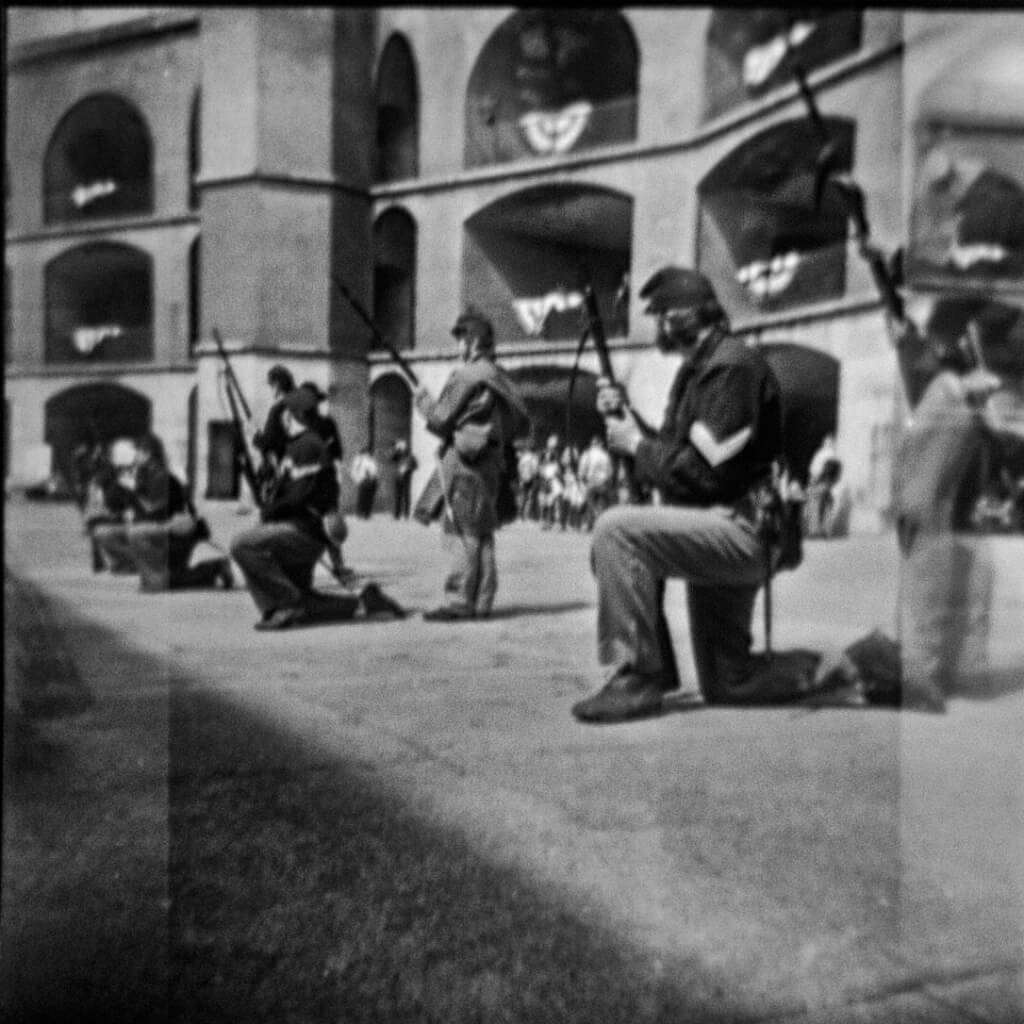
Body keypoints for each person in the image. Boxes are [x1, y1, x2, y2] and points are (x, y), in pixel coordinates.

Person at [572, 266, 825, 723]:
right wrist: (629, 421)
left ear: (685, 317)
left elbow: (705, 474)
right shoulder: (700, 370)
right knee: (731, 683)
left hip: (740, 529)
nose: (658, 326)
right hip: (720, 525)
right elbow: (674, 457)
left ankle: (639, 675)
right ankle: (844, 668)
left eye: (662, 315)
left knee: (616, 531)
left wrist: (635, 444)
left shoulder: (730, 368)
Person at [413, 307, 530, 621]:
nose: (458, 346)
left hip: (466, 463)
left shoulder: (467, 376)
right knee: (482, 531)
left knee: (461, 530)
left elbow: (440, 418)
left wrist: (423, 401)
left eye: (461, 339)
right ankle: (481, 601)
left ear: (474, 340)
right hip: (491, 462)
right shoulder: (497, 375)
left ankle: (459, 601)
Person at [230, 387, 338, 629]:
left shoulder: (308, 446)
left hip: (303, 531)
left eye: (282, 414)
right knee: (309, 603)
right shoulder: (299, 444)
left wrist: (269, 510)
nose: (279, 420)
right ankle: (358, 604)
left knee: (243, 544)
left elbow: (299, 496)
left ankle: (285, 605)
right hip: (300, 528)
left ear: (293, 416)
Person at [122, 432, 233, 592]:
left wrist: (132, 492)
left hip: (175, 531)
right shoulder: (149, 475)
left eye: (138, 452)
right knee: (172, 580)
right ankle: (214, 568)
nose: (135, 457)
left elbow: (154, 508)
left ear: (148, 453)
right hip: (166, 530)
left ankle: (214, 568)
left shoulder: (161, 475)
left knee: (136, 534)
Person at [299, 381, 351, 583]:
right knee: (331, 525)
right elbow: (338, 452)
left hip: (302, 483)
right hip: (325, 481)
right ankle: (338, 565)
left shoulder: (295, 427)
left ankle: (304, 567)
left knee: (303, 524)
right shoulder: (327, 424)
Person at [252, 364, 296, 503]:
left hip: (279, 470)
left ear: (276, 385)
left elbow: (270, 442)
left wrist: (255, 437)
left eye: (271, 386)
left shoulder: (277, 409)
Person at [577, 434, 614, 531]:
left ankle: (588, 524)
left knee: (590, 503)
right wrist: (608, 480)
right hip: (603, 483)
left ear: (592, 443)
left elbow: (582, 469)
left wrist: (581, 479)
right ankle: (602, 524)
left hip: (591, 482)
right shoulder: (605, 455)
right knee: (603, 504)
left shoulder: (587, 454)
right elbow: (610, 471)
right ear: (600, 444)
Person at [389, 439, 418, 520]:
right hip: (398, 478)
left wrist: (408, 469)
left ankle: (406, 514)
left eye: (402, 447)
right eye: (400, 447)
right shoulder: (397, 455)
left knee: (406, 496)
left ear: (406, 448)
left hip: (406, 478)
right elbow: (391, 459)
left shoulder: (411, 456)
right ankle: (397, 515)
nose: (402, 449)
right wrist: (395, 450)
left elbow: (415, 466)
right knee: (398, 496)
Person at [350, 446, 380, 519]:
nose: (367, 454)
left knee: (370, 498)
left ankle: (367, 513)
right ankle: (360, 513)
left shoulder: (372, 460)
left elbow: (375, 471)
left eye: (368, 452)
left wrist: (375, 479)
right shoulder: (359, 460)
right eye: (366, 452)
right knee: (362, 498)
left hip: (372, 480)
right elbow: (354, 471)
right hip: (363, 480)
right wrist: (358, 480)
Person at [516, 442, 540, 521]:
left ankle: (521, 513)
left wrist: (521, 475)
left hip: (523, 477)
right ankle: (530, 514)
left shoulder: (524, 457)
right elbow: (536, 469)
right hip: (532, 478)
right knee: (532, 496)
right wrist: (535, 475)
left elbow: (519, 467)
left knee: (524, 495)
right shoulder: (534, 457)